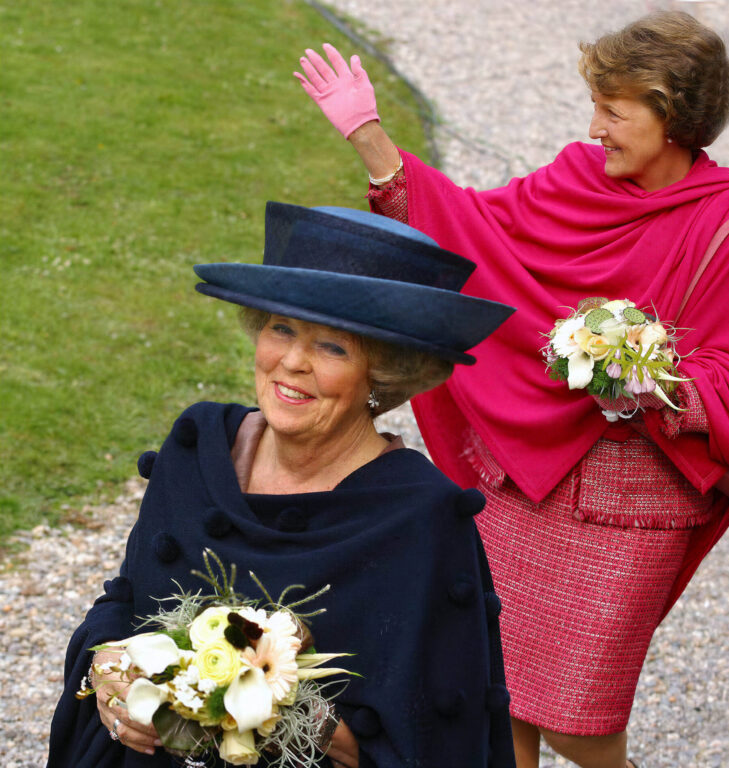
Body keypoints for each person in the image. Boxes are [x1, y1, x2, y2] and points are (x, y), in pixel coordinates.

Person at [294, 10, 729, 768]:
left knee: (582, 726)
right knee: (498, 699)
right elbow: (472, 233)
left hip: (629, 508)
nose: (596, 127)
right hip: (521, 485)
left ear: (672, 115)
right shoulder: (579, 177)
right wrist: (372, 144)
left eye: (614, 110)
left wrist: (645, 376)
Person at [46, 202, 517, 767]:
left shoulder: (420, 516)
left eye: (333, 346)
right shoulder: (199, 446)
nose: (291, 361)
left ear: (385, 373)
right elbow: (126, 604)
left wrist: (268, 698)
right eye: (282, 329)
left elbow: (434, 743)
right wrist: (107, 667)